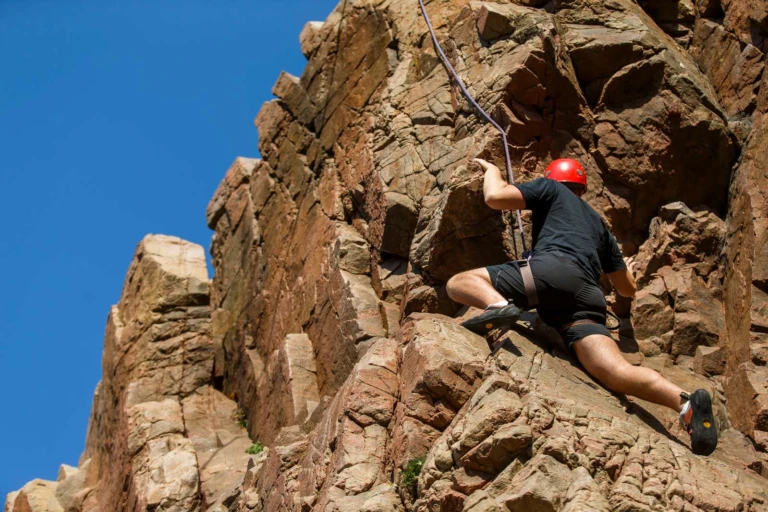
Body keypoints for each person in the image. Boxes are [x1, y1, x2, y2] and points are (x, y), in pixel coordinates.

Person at [446, 157, 718, 456]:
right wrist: (625, 268)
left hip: (551, 273)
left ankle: (497, 305)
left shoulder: (548, 188)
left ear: (552, 177)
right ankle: (685, 404)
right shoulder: (600, 227)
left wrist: (493, 171)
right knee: (616, 371)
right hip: (587, 298)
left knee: (459, 282)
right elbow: (627, 288)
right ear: (582, 188)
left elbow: (495, 197)